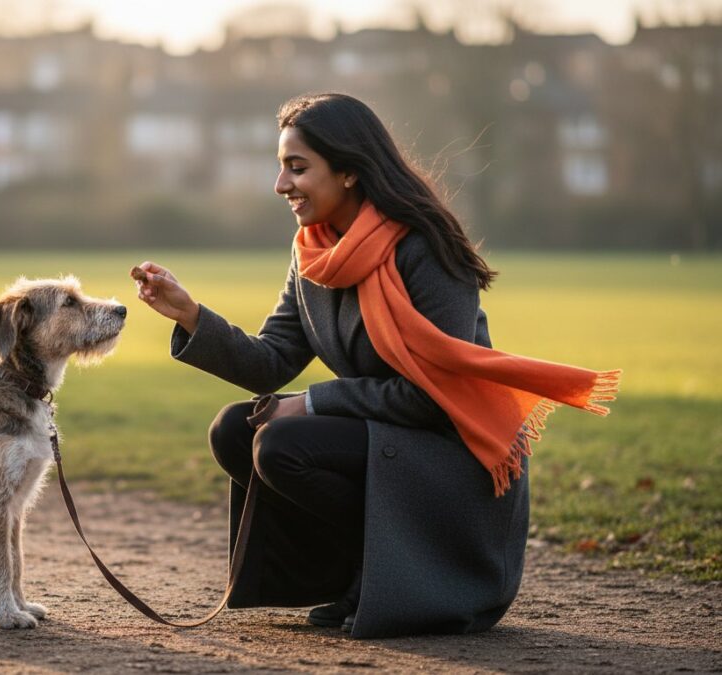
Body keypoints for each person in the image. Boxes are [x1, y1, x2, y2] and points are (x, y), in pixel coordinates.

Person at [131, 92, 619, 638]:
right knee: (233, 430)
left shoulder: (426, 246)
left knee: (281, 444)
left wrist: (312, 402)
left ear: (348, 171)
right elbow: (272, 361)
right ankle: (347, 576)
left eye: (297, 167)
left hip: (452, 450)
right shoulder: (314, 250)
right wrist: (192, 315)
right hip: (388, 433)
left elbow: (435, 395)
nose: (280, 184)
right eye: (281, 167)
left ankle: (399, 578)